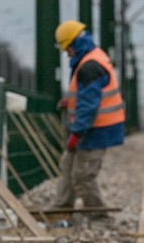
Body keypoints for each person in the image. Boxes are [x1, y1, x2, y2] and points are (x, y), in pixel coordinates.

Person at [49, 20, 125, 212]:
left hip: (94, 129)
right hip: (89, 127)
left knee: (83, 175)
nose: (67, 54)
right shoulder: (92, 58)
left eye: (67, 49)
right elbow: (87, 96)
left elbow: (89, 104)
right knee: (68, 166)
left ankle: (97, 212)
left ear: (74, 44)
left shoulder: (89, 66)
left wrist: (76, 133)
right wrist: (70, 103)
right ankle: (62, 206)